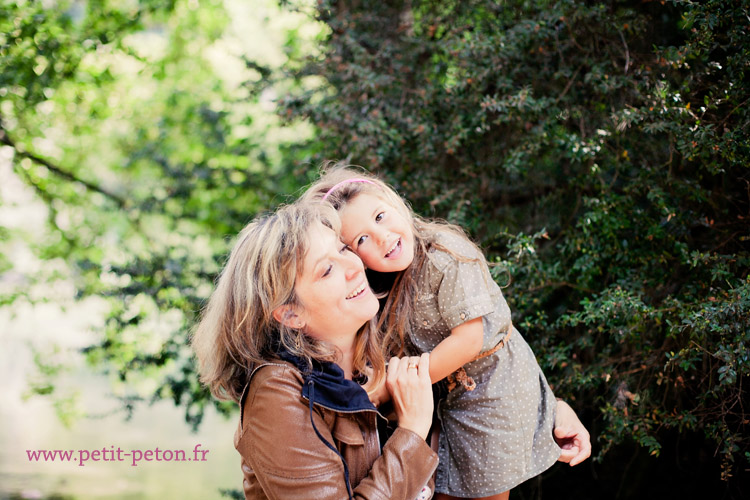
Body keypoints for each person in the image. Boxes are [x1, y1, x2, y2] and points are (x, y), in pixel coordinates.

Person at [302, 165, 591, 500]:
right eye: (362, 239)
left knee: (481, 490)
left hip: (492, 394)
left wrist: (386, 391)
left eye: (380, 217)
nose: (381, 237)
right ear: (355, 257)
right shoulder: (382, 285)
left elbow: (472, 340)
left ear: (395, 203)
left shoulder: (445, 256)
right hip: (450, 399)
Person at [191, 201, 439, 500]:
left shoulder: (378, 361)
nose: (353, 266)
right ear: (292, 315)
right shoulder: (277, 393)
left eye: (343, 249)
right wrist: (412, 431)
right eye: (327, 270)